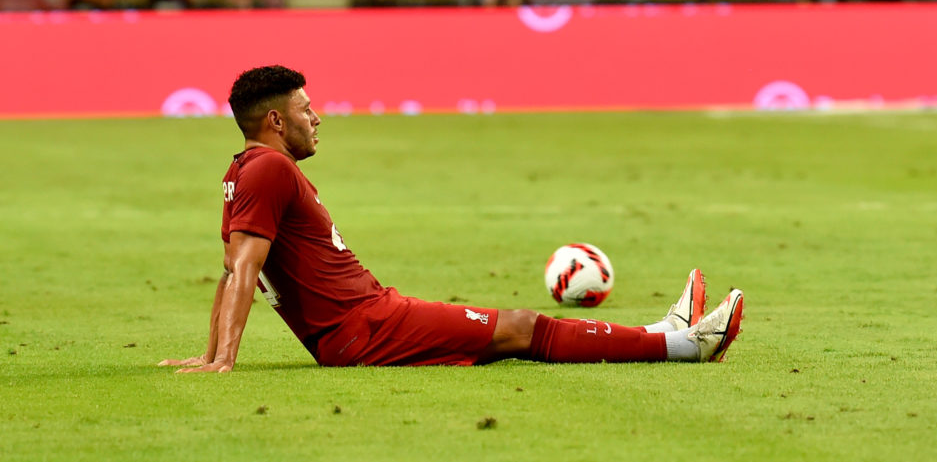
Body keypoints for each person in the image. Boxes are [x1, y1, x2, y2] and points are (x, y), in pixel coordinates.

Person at [159, 65, 744, 373]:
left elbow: (233, 270)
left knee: (510, 328)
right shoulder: (270, 171)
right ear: (276, 123)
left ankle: (664, 334)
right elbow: (242, 271)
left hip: (362, 322)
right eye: (307, 110)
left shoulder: (243, 170)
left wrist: (210, 354)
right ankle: (685, 348)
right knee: (518, 327)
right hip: (364, 327)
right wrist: (223, 361)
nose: (319, 118)